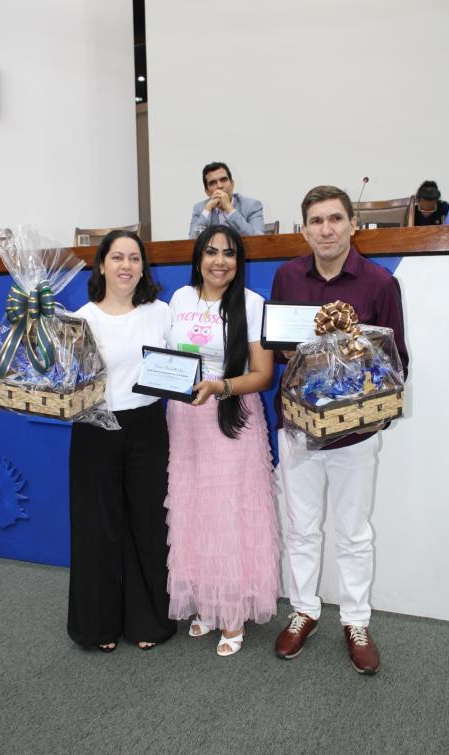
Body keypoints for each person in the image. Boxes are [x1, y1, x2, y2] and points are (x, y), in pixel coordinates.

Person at [272, 186, 408, 674]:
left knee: (353, 532)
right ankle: (304, 609)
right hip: (298, 428)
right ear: (303, 228)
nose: (326, 229)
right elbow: (276, 351)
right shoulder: (287, 277)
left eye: (335, 219)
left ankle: (355, 619)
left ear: (353, 223)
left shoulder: (378, 284)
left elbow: (397, 365)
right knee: (301, 528)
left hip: (354, 433)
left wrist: (357, 382)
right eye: (316, 221)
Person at [165, 224, 280, 656]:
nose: (219, 261)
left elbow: (263, 374)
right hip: (185, 419)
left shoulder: (251, 303)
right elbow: (164, 358)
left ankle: (232, 613)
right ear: (197, 257)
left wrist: (219, 388)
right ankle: (207, 605)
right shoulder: (179, 298)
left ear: (239, 261)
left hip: (230, 416)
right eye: (211, 252)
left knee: (229, 514)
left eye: (228, 254)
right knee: (194, 510)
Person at [68, 230, 176, 652]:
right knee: (98, 528)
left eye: (134, 258)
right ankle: (97, 625)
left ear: (143, 266)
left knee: (147, 524)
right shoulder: (80, 319)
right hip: (95, 428)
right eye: (117, 257)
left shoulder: (160, 313)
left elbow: (182, 364)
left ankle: (148, 621)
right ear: (101, 265)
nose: (126, 266)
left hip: (148, 425)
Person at [188, 162, 265, 239]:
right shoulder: (200, 209)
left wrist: (229, 209)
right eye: (213, 183)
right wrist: (208, 209)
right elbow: (191, 243)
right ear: (207, 191)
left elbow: (259, 240)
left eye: (223, 180)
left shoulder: (251, 205)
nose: (219, 186)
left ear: (232, 184)